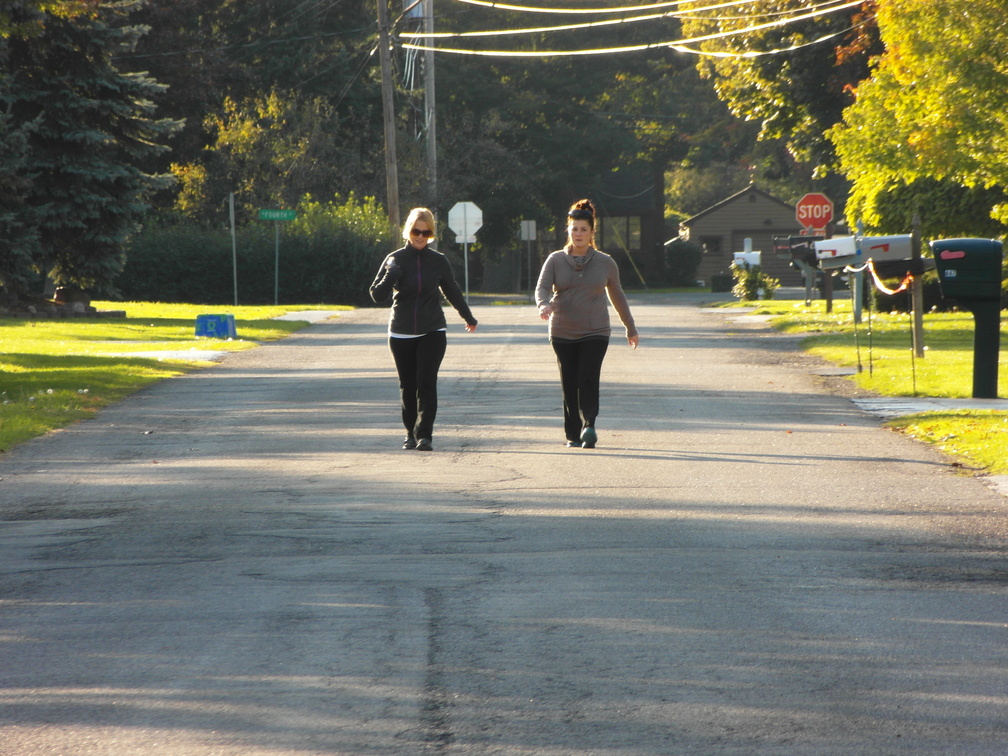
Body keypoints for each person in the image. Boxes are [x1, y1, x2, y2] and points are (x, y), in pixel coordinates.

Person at [370, 207, 477, 451]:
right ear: (408, 230)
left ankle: (425, 435)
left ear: (431, 234)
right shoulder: (394, 258)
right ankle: (410, 432)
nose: (420, 236)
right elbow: (376, 294)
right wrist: (390, 275)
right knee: (408, 385)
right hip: (400, 332)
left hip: (432, 330)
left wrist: (468, 316)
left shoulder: (438, 261)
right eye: (417, 231)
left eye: (426, 232)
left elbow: (452, 290)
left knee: (426, 383)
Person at [535, 198, 638, 448]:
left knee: (588, 378)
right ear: (568, 230)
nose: (579, 233)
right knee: (569, 382)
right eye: (574, 228)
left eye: (584, 229)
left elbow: (617, 295)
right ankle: (572, 434)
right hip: (562, 331)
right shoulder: (555, 259)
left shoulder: (605, 262)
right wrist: (543, 305)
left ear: (592, 232)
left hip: (595, 331)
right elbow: (542, 288)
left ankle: (589, 425)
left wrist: (630, 327)